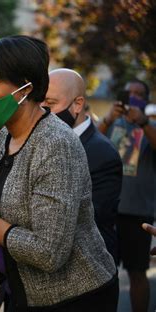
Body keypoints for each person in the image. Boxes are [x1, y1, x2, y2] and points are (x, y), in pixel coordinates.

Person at [0, 36, 118, 311]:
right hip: (21, 291)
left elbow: (49, 252)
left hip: (73, 298)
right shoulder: (5, 135)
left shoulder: (55, 144)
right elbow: (1, 220)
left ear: (25, 87)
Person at [43, 68, 122, 264]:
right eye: (40, 102)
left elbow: (90, 218)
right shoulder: (45, 140)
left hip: (87, 267)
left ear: (78, 105)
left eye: (50, 103)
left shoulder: (103, 154)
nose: (42, 110)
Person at [97, 78, 156, 312]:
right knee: (101, 272)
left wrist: (142, 122)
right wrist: (109, 118)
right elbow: (89, 142)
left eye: (139, 94)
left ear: (146, 100)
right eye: (128, 92)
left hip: (138, 212)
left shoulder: (150, 126)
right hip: (108, 209)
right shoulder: (112, 123)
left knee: (137, 273)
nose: (133, 97)